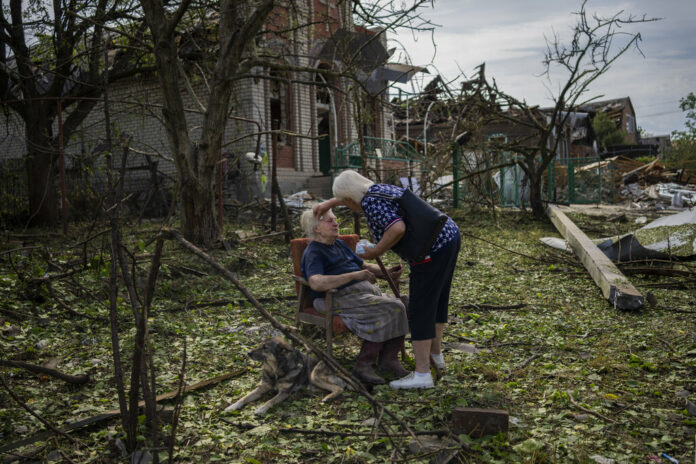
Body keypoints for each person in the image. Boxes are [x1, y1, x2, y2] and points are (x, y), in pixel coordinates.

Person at [313, 170, 460, 389]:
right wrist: (331, 202)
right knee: (437, 302)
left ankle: (422, 375)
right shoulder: (377, 190)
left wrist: (376, 250)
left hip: (430, 249)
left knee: (420, 309)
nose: (335, 220)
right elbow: (352, 196)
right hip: (448, 236)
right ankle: (435, 357)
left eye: (343, 204)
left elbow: (397, 228)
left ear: (350, 199)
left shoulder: (371, 205)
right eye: (329, 220)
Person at [300, 209, 410, 385]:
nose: (336, 223)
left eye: (335, 219)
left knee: (406, 302)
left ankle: (388, 361)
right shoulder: (314, 251)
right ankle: (363, 365)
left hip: (362, 294)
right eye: (329, 221)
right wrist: (353, 276)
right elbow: (316, 282)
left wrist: (386, 272)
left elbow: (362, 265)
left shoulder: (339, 244)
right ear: (316, 228)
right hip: (335, 298)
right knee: (391, 307)